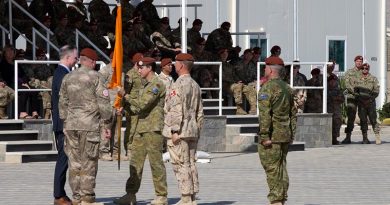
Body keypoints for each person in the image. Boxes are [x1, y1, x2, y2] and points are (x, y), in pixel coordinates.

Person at [59, 48, 112, 205]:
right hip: (89, 126)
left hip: (71, 126)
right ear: (93, 62)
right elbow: (104, 104)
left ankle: (76, 197)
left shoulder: (67, 77)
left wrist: (65, 121)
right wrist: (107, 124)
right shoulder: (96, 77)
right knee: (88, 161)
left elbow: (62, 103)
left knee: (74, 162)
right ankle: (87, 198)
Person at [114, 57, 168, 205]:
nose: (138, 70)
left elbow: (143, 104)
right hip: (140, 128)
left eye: (141, 68)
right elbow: (136, 108)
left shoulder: (156, 84)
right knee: (135, 163)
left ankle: (161, 195)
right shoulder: (144, 85)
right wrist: (123, 107)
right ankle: (130, 194)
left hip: (153, 129)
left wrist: (125, 94)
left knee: (155, 163)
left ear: (149, 68)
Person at [163, 53, 204, 205]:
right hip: (192, 130)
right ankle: (192, 196)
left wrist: (174, 131)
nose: (173, 66)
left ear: (181, 65)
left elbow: (175, 108)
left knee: (180, 163)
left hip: (180, 131)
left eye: (175, 63)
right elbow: (200, 112)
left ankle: (186, 197)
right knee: (191, 163)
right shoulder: (195, 84)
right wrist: (197, 129)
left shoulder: (178, 84)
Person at [258, 56, 296, 205]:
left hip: (272, 136)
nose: (264, 70)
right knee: (281, 167)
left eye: (265, 67)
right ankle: (282, 197)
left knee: (272, 168)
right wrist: (292, 133)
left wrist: (264, 135)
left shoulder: (267, 88)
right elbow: (293, 114)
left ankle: (276, 201)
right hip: (285, 134)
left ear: (271, 70)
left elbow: (264, 115)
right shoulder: (287, 88)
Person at [52, 45, 78, 205]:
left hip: (65, 123)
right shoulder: (62, 74)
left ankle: (60, 193)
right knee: (63, 158)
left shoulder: (63, 73)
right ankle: (58, 195)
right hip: (64, 125)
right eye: (75, 58)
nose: (76, 61)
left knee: (65, 158)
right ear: (68, 58)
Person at [355, 63, 381, 144]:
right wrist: (361, 99)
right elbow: (355, 91)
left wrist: (369, 100)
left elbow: (376, 91)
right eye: (363, 68)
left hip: (370, 103)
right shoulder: (357, 79)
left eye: (366, 68)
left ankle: (377, 137)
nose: (364, 70)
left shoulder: (373, 79)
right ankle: (365, 138)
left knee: (373, 120)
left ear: (368, 69)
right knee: (363, 121)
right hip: (361, 103)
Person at [341, 55, 363, 144]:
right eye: (357, 61)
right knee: (351, 117)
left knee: (363, 117)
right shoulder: (349, 72)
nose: (359, 63)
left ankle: (365, 137)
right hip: (352, 98)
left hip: (362, 98)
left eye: (360, 61)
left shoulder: (364, 72)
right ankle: (348, 137)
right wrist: (355, 92)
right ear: (355, 62)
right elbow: (346, 84)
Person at [327, 63, 344, 145]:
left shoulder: (335, 77)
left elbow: (340, 91)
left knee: (337, 121)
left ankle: (334, 138)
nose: (331, 68)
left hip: (336, 106)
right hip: (327, 105)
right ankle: (328, 138)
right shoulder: (323, 76)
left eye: (333, 67)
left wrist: (340, 98)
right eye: (330, 66)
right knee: (328, 122)